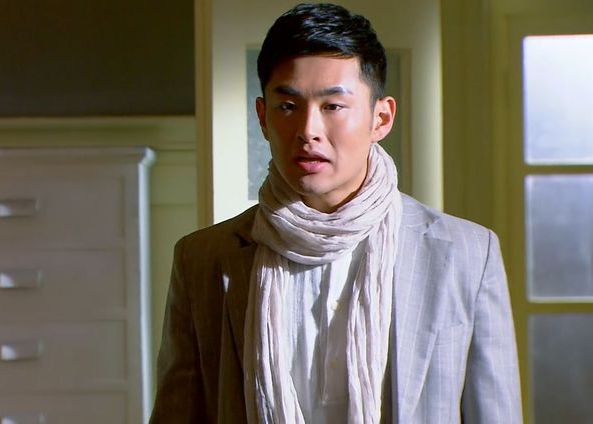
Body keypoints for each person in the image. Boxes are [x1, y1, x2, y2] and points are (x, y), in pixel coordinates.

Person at [150, 3, 522, 423]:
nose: (308, 130)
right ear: (263, 118)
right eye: (288, 106)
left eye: (333, 106)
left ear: (381, 118)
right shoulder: (202, 259)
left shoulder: (465, 253)